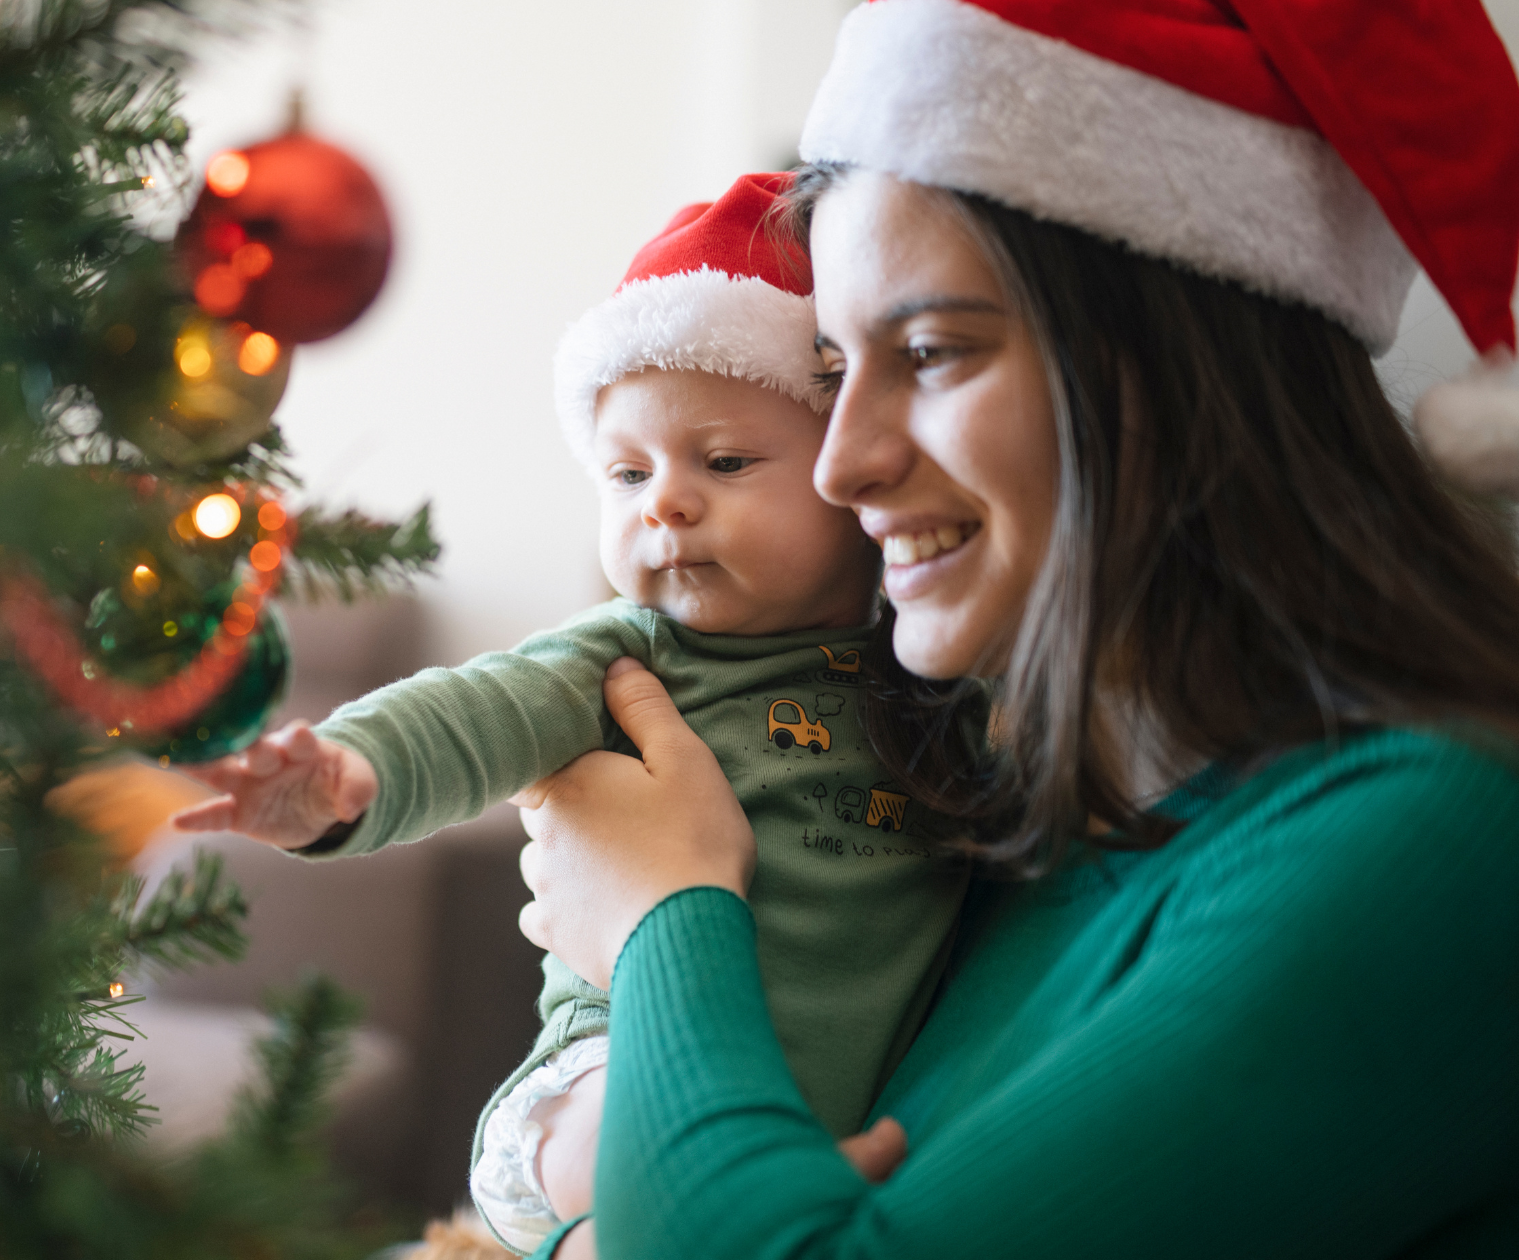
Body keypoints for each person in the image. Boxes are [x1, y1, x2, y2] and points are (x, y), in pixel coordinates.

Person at [510, 1, 1519, 1256]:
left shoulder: (1430, 842)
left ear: (1179, 361)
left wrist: (662, 910)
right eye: (831, 375)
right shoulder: (975, 806)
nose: (840, 466)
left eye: (929, 352)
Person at [172, 173, 986, 1253]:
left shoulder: (931, 675)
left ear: (848, 474)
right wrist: (343, 776)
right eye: (624, 472)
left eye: (725, 461)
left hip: (837, 1112)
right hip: (601, 1083)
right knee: (632, 1140)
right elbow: (468, 714)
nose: (662, 502)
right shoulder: (626, 656)